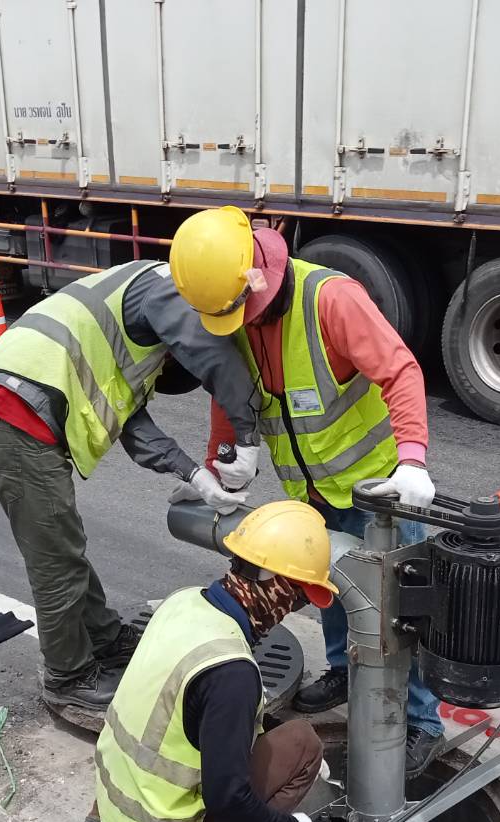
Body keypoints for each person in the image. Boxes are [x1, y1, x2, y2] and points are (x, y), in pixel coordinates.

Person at [166, 206, 447, 777]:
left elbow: (400, 370)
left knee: (396, 612)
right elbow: (229, 396)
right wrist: (220, 465)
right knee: (330, 588)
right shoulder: (234, 315)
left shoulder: (331, 300)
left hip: (378, 492)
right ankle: (343, 670)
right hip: (310, 491)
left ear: (259, 275)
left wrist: (413, 460)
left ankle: (422, 722)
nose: (241, 323)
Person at [0, 260, 261, 713]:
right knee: (55, 559)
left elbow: (131, 424)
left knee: (63, 545)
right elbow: (216, 356)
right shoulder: (165, 290)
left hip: (8, 413)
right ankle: (67, 676)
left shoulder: (120, 322)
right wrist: (247, 438)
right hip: (9, 416)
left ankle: (104, 637)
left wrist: (194, 475)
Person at [89, 500, 335, 822]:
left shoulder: (184, 603)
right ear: (274, 582)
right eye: (296, 599)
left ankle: (107, 815)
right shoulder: (231, 673)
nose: (291, 611)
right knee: (304, 743)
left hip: (117, 809)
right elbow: (228, 799)